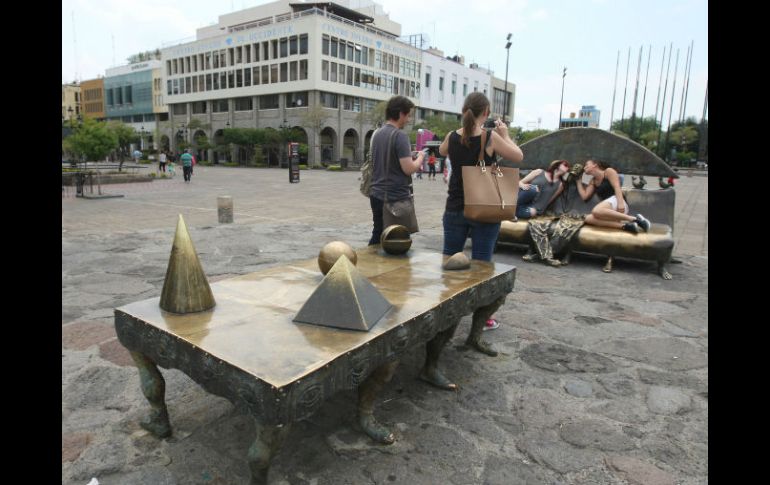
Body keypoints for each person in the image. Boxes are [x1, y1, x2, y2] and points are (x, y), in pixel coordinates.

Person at [438, 91, 523, 339]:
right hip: (484, 208)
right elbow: (518, 156)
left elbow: (443, 152)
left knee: (449, 263)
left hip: (454, 208)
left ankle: (445, 308)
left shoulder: (452, 136)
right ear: (485, 112)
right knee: (482, 266)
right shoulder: (490, 137)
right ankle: (482, 319)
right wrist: (505, 134)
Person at [368, 96, 424, 245]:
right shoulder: (400, 136)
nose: (409, 119)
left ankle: (370, 265)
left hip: (376, 194)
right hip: (394, 198)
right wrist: (420, 158)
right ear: (400, 114)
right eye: (408, 115)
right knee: (397, 241)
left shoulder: (376, 134)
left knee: (378, 234)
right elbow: (408, 169)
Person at [576, 159, 651, 233]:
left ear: (595, 165)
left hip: (618, 202)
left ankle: (635, 219)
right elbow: (584, 196)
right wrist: (578, 181)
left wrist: (620, 203)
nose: (584, 167)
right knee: (587, 218)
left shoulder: (608, 171)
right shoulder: (593, 181)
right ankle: (626, 226)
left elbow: (616, 187)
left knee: (596, 211)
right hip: (608, 210)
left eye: (586, 164)